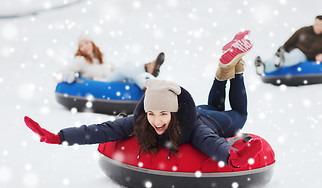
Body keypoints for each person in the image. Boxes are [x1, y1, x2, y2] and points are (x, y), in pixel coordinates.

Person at [25, 31, 262, 169]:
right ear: (145, 112)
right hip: (203, 110)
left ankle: (235, 70)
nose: (156, 121)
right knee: (213, 105)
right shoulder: (141, 121)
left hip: (213, 121)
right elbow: (102, 130)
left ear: (173, 112)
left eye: (163, 114)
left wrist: (230, 156)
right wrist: (60, 137)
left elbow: (211, 143)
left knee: (239, 115)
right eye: (152, 114)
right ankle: (226, 69)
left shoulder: (193, 128)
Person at [53, 31, 165, 90]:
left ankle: (147, 87)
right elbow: (58, 74)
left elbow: (116, 69)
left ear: (92, 43)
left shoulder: (101, 58)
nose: (85, 47)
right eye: (82, 45)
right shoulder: (80, 60)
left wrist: (127, 71)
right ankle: (146, 68)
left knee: (127, 66)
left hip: (113, 80)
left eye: (87, 43)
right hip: (103, 85)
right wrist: (67, 76)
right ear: (79, 49)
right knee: (123, 69)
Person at [255, 15, 322, 75]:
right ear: (314, 23)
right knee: (287, 55)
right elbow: (290, 41)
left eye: (321, 25)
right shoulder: (304, 31)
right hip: (292, 50)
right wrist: (283, 49)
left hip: (305, 56)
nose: (318, 27)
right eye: (317, 24)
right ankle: (263, 66)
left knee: (296, 56)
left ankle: (278, 61)